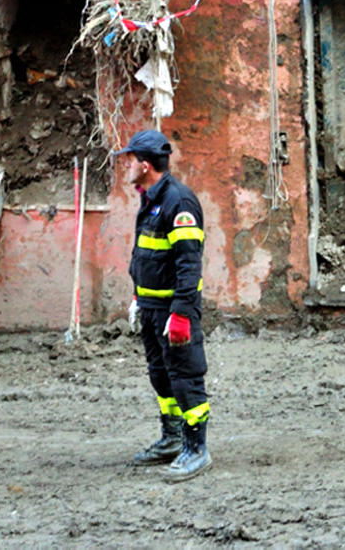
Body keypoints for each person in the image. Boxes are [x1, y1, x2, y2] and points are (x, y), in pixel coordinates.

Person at [117, 129, 212, 482]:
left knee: (186, 379)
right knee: (161, 377)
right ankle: (172, 439)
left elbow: (189, 264)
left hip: (174, 312)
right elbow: (145, 254)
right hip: (152, 310)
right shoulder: (151, 200)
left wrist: (182, 314)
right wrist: (138, 297)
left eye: (129, 160)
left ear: (144, 165)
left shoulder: (179, 203)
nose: (125, 165)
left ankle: (196, 449)